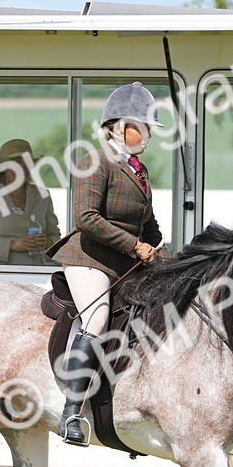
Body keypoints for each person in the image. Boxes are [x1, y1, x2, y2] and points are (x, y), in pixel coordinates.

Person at [46, 82, 164, 445]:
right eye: (141, 128)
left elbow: (150, 225)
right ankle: (72, 413)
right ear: (119, 126)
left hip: (126, 261)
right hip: (89, 258)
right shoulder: (94, 162)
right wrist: (136, 246)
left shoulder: (138, 170)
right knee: (96, 320)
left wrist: (163, 250)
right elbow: (86, 218)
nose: (147, 136)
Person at [0, 138, 61, 266]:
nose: (24, 167)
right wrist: (13, 245)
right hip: (0, 278)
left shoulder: (43, 195)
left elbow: (55, 236)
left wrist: (47, 243)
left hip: (37, 275)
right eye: (17, 163)